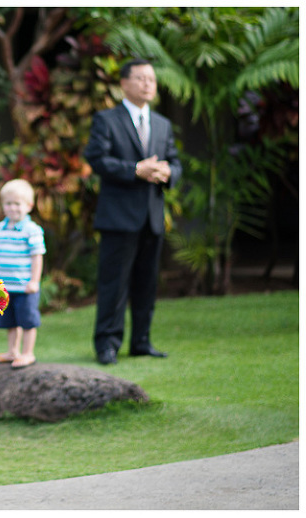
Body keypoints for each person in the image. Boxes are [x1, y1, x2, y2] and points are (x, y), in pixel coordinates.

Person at [83, 58, 182, 365]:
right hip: (119, 217)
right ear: (124, 83)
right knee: (114, 283)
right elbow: (97, 159)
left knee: (146, 283)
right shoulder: (107, 120)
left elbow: (175, 163)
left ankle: (141, 341)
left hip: (152, 217)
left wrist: (168, 173)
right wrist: (136, 169)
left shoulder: (163, 124)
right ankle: (107, 345)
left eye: (151, 79)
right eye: (140, 78)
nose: (147, 84)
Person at [0, 179, 46, 369]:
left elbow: (37, 257)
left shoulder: (32, 230)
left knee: (27, 321)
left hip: (25, 286)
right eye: (8, 204)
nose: (12, 208)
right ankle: (13, 351)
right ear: (3, 205)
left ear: (29, 206)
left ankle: (28, 353)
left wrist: (34, 281)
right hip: (5, 287)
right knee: (10, 321)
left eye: (17, 204)